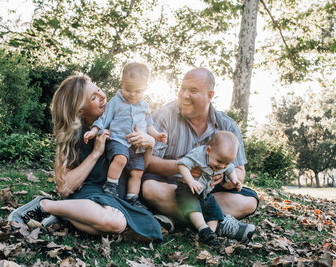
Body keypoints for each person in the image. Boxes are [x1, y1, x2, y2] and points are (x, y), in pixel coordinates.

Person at [8, 74, 162, 241]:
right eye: (94, 97)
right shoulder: (74, 137)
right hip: (90, 195)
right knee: (115, 223)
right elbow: (65, 188)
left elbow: (139, 169)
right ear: (80, 110)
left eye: (99, 90)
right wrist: (96, 153)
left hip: (117, 197)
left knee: (142, 228)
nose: (103, 96)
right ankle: (45, 205)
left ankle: (69, 216)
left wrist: (149, 145)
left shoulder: (122, 120)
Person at [141, 67, 258, 243]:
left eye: (193, 90)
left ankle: (174, 219)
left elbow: (240, 171)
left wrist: (224, 179)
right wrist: (184, 167)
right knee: (149, 189)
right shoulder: (164, 115)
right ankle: (217, 223)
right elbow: (147, 162)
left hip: (208, 191)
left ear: (210, 95)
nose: (184, 95)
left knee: (248, 202)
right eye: (183, 88)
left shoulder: (228, 126)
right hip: (171, 187)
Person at [84, 63, 167, 208]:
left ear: (146, 88)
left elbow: (148, 124)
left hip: (137, 146)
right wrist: (93, 131)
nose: (133, 94)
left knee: (137, 172)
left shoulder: (144, 106)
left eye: (138, 91)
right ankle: (111, 185)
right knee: (120, 159)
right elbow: (104, 119)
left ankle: (132, 197)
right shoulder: (115, 102)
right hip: (118, 140)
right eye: (129, 89)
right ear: (122, 83)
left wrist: (156, 135)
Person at [176, 131, 243, 246]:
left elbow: (230, 169)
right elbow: (182, 165)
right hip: (187, 188)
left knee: (214, 209)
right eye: (219, 162)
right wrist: (190, 181)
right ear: (208, 150)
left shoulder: (224, 161)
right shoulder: (198, 155)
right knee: (191, 203)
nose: (222, 166)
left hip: (205, 192)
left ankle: (210, 235)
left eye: (226, 163)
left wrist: (234, 180)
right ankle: (203, 228)